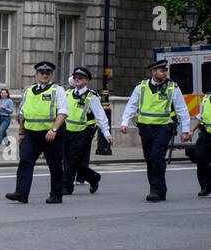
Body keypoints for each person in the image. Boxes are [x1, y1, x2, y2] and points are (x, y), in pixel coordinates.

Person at [119, 58, 192, 202]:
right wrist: (124, 123)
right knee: (149, 159)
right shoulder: (141, 87)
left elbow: (182, 110)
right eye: (162, 71)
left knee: (156, 157)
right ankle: (160, 190)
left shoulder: (173, 87)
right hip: (145, 128)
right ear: (154, 72)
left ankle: (155, 190)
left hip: (164, 128)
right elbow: (131, 105)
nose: (165, 73)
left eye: (166, 70)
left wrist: (185, 130)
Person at [5, 61, 70, 204]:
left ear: (51, 75)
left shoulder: (57, 90)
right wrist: (21, 133)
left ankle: (56, 194)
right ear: (36, 74)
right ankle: (21, 193)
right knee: (25, 161)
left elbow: (63, 112)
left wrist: (54, 129)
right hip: (31, 134)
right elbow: (23, 113)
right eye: (41, 73)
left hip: (50, 134)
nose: (44, 75)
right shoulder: (29, 91)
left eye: (47, 73)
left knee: (54, 164)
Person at [61, 67, 113, 195]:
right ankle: (93, 177)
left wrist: (106, 132)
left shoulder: (91, 96)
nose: (77, 79)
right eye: (75, 77)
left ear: (87, 81)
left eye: (80, 77)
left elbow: (100, 115)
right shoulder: (67, 94)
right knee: (71, 160)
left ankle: (67, 186)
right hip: (67, 131)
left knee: (71, 159)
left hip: (82, 133)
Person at [194, 95, 211, 197]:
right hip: (206, 134)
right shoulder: (205, 99)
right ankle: (205, 187)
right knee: (200, 157)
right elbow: (200, 116)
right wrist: (191, 130)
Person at [0, 88, 15, 154]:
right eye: (1, 93)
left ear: (7, 94)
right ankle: (9, 147)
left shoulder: (9, 101)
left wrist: (4, 108)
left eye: (4, 93)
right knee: (3, 134)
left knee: (0, 132)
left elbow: (11, 111)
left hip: (6, 118)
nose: (3, 94)